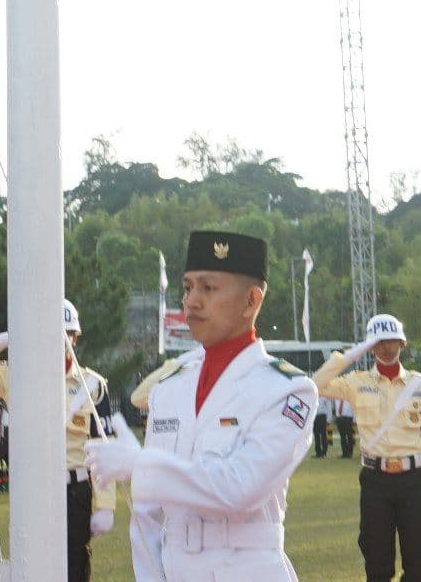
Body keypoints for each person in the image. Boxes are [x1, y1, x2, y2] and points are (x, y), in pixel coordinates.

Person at [89, 230, 317, 581]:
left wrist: (142, 465)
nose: (191, 301)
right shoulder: (169, 387)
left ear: (251, 301)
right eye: (187, 287)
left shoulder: (288, 390)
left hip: (247, 569)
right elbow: (147, 515)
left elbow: (239, 489)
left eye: (208, 289)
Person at [0, 298, 118, 581]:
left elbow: (103, 447)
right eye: (50, 333)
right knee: (32, 565)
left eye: (66, 334)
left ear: (75, 338)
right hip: (33, 488)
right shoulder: (16, 375)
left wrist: (105, 505)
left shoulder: (93, 384)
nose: (60, 341)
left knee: (75, 564)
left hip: (74, 488)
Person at [314, 313, 421, 582]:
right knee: (376, 558)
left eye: (392, 341)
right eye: (378, 342)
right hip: (375, 480)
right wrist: (350, 356)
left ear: (402, 344)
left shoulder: (420, 385)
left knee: (418, 556)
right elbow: (316, 384)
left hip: (413, 480)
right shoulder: (357, 382)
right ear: (370, 347)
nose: (386, 347)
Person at [333, 393, 357, 459]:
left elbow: (354, 408)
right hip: (340, 418)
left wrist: (354, 420)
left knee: (349, 436)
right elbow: (336, 407)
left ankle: (350, 453)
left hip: (348, 418)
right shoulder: (337, 397)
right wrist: (337, 417)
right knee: (342, 436)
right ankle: (344, 453)